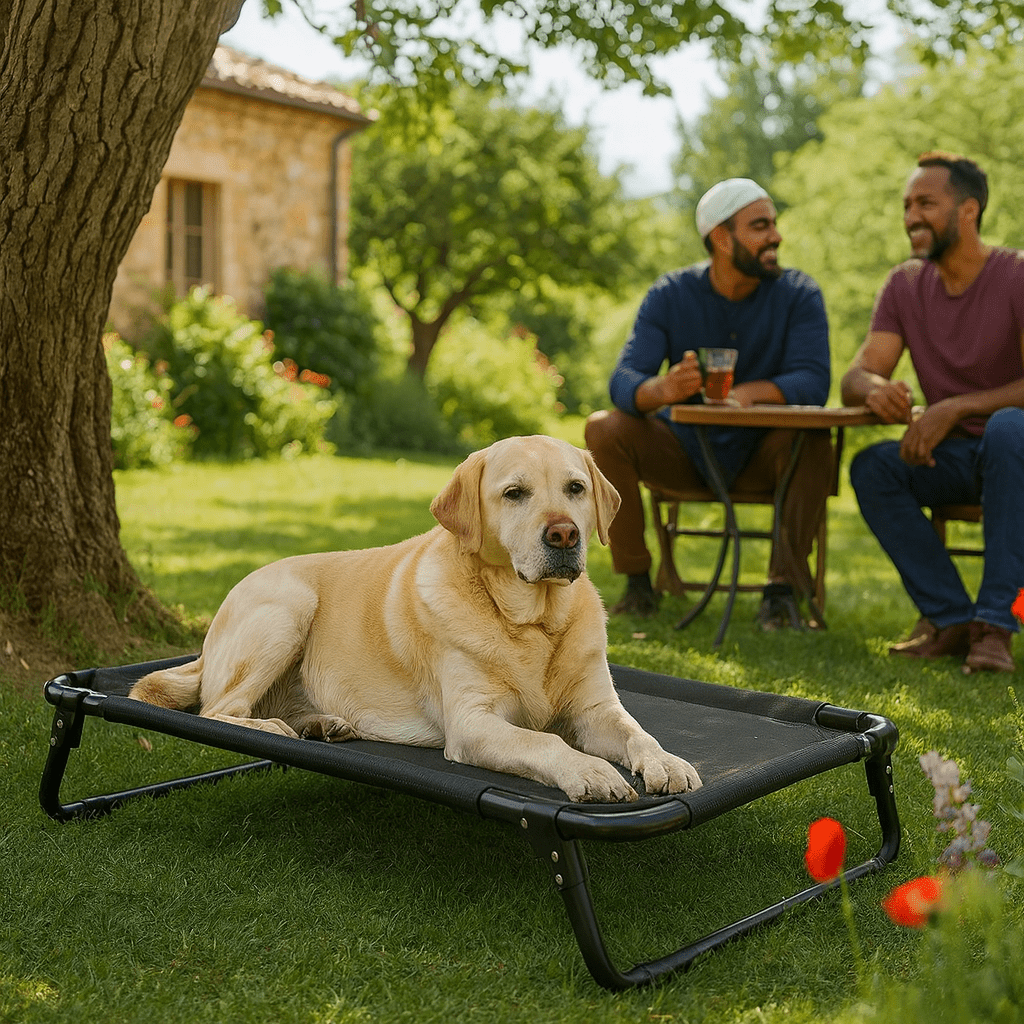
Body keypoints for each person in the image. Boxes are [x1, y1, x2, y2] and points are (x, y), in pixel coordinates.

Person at [584, 178, 832, 629]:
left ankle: (782, 592)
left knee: (814, 440)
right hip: (683, 453)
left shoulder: (799, 294)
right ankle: (637, 584)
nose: (776, 236)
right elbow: (623, 379)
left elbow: (813, 381)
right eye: (760, 226)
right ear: (721, 237)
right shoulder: (670, 293)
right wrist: (662, 389)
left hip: (765, 458)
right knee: (604, 428)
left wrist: (748, 395)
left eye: (773, 224)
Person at [841, 151, 1024, 672]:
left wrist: (953, 408)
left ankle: (996, 625)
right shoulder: (905, 284)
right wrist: (875, 389)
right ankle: (951, 619)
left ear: (968, 211)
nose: (911, 217)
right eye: (906, 205)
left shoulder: (1016, 275)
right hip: (957, 459)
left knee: (1009, 428)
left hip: (1017, 454)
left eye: (925, 203)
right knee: (873, 466)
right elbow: (856, 375)